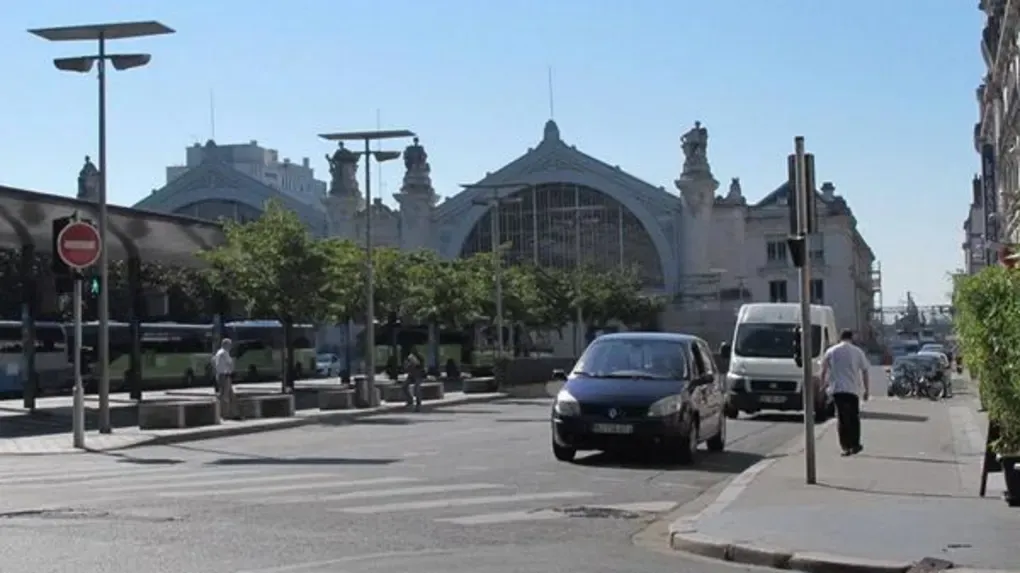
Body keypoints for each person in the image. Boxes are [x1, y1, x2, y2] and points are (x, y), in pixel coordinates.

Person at [820, 329, 870, 456]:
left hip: (838, 389)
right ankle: (855, 444)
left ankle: (845, 446)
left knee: (842, 418)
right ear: (851, 338)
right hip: (853, 389)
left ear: (840, 337)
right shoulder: (857, 351)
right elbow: (865, 370)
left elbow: (823, 370)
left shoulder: (831, 351)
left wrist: (822, 386)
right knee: (854, 418)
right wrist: (866, 390)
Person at [213, 338, 236, 420]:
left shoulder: (218, 353)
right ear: (225, 344)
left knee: (230, 395)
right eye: (229, 345)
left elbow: (213, 362)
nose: (230, 346)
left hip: (219, 375)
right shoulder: (224, 352)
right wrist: (232, 369)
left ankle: (231, 413)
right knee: (225, 395)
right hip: (225, 376)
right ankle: (225, 414)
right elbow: (230, 363)